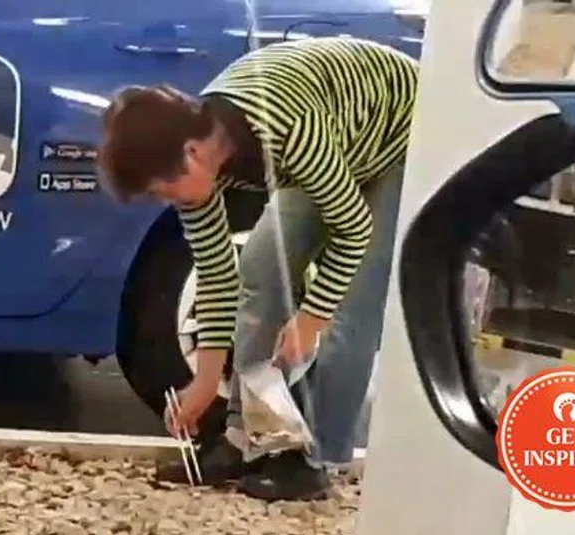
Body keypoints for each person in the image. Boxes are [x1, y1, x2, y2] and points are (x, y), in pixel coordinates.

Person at [98, 37, 418, 501]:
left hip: (399, 132)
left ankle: (317, 461)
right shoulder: (198, 165)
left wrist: (311, 318)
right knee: (261, 267)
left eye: (165, 189)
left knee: (352, 304)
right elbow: (216, 274)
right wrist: (204, 382)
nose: (167, 201)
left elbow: (353, 229)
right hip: (337, 135)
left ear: (191, 153)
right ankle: (245, 439)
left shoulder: (286, 127)